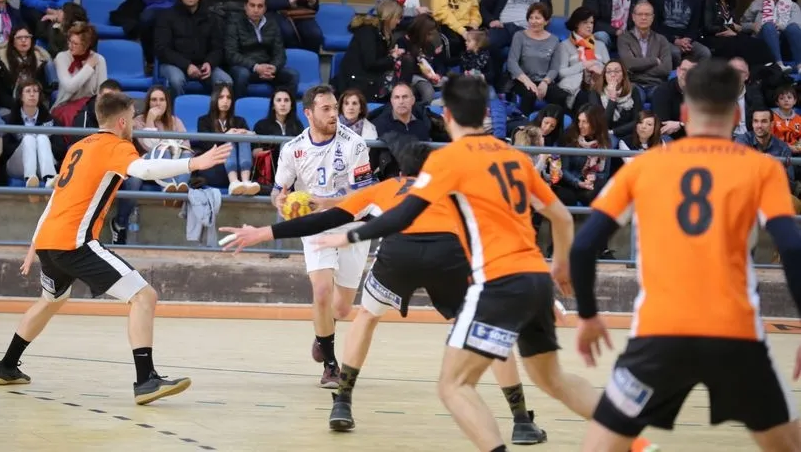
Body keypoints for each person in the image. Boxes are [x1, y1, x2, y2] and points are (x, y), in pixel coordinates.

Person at [307, 74, 657, 452]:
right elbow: (561, 216)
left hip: (497, 280)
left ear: (447, 115)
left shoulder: (448, 159)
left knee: (453, 385)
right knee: (553, 379)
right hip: (537, 276)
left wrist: (349, 235)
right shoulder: (514, 156)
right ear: (487, 114)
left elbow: (405, 213)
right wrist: (560, 265)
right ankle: (636, 443)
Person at [219, 133, 550, 444]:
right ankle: (521, 421)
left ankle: (342, 402)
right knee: (487, 329)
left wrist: (263, 232)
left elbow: (323, 220)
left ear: (401, 170)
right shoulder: (451, 190)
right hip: (448, 255)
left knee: (366, 316)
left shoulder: (386, 188)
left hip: (400, 253)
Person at [570, 58, 801, 451]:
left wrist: (589, 316)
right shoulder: (762, 169)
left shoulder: (644, 167)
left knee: (602, 446)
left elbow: (584, 246)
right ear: (736, 114)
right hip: (736, 336)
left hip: (659, 334)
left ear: (684, 112)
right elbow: (793, 248)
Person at [0, 91, 232, 405]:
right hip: (74, 243)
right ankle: (146, 380)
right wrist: (194, 162)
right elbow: (144, 171)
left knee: (50, 300)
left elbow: (55, 198)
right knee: (144, 296)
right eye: (131, 118)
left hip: (50, 239)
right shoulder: (115, 146)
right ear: (121, 122)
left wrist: (35, 243)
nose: (132, 124)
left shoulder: (79, 146)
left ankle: (6, 366)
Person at [271, 85, 374, 387]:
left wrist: (325, 203)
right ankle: (330, 365)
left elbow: (364, 195)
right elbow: (278, 190)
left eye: (334, 108)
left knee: (341, 308)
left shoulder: (354, 144)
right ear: (308, 113)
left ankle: (322, 335)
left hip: (353, 224)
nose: (334, 114)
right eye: (326, 109)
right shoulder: (293, 149)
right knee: (321, 292)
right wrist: (279, 200)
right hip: (316, 225)